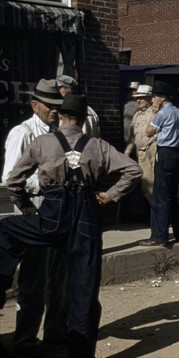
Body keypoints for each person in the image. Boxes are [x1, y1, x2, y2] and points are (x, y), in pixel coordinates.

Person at [0, 93, 141, 358]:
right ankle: (80, 353)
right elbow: (133, 170)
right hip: (87, 217)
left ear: (61, 115)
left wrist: (28, 209)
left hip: (51, 217)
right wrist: (110, 195)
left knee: (7, 230)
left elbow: (14, 181)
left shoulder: (43, 142)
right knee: (84, 289)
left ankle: (2, 280)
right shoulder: (98, 145)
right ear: (85, 118)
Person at [1, 78, 69, 357]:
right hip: (32, 212)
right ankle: (25, 341)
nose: (55, 110)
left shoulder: (58, 134)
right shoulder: (23, 132)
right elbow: (8, 178)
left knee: (57, 279)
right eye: (49, 106)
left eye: (58, 105)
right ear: (34, 105)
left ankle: (54, 335)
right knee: (33, 281)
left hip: (56, 214)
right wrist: (42, 182)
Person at [139, 80, 179, 246]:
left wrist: (153, 112)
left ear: (162, 97)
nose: (153, 100)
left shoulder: (162, 113)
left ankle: (159, 235)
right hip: (178, 153)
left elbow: (148, 132)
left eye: (155, 97)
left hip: (165, 152)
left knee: (161, 195)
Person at [124, 84, 157, 206]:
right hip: (141, 152)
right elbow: (132, 137)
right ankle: (156, 211)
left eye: (142, 98)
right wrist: (127, 151)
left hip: (153, 149)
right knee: (146, 186)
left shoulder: (155, 113)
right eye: (137, 98)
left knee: (156, 183)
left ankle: (161, 214)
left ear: (150, 98)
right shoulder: (136, 114)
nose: (138, 100)